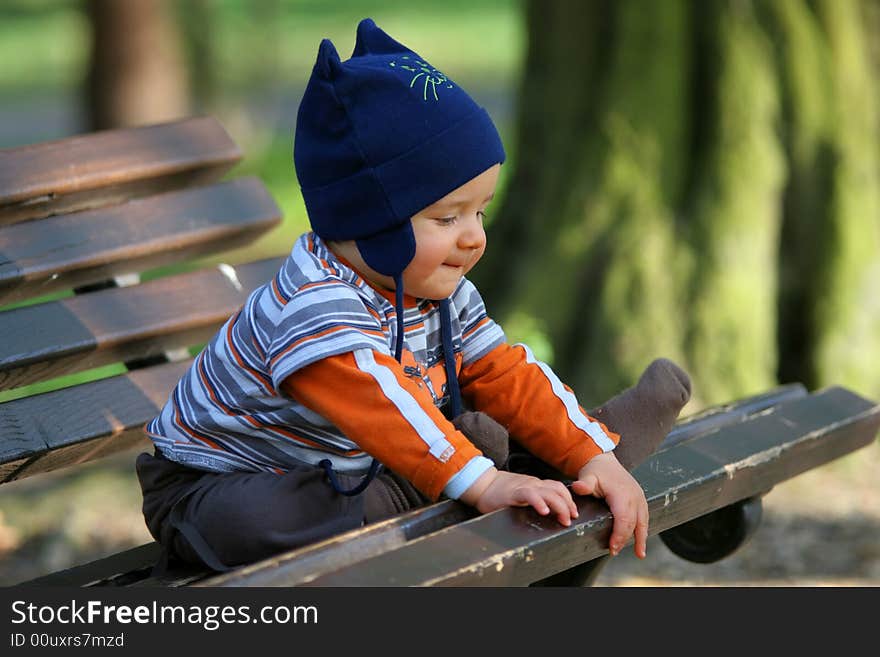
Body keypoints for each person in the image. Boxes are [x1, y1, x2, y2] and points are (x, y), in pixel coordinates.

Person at [135, 17, 692, 576]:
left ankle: (590, 450)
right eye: (447, 217)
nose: (474, 235)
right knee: (289, 514)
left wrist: (589, 452)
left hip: (354, 461)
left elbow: (505, 372)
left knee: (470, 437)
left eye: (480, 211)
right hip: (216, 487)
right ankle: (462, 479)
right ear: (370, 222)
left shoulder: (440, 291)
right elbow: (384, 405)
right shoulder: (313, 305)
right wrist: (486, 480)